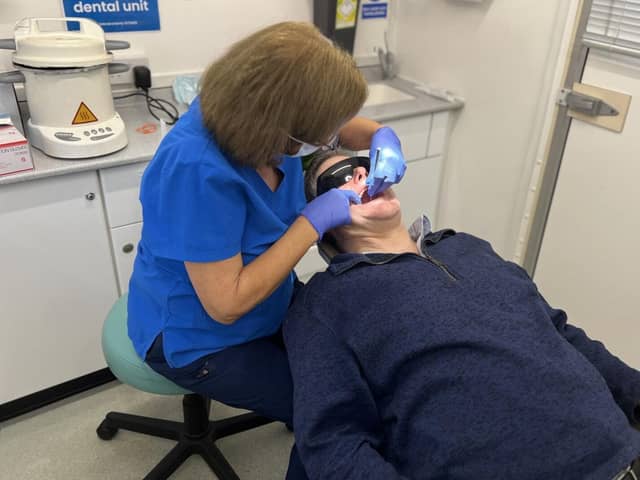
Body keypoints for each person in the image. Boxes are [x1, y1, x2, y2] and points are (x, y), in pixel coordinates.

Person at [126, 22, 407, 479]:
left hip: (268, 299)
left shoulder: (262, 124)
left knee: (354, 368)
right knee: (333, 411)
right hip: (197, 334)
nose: (331, 140)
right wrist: (313, 219)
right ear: (276, 124)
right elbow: (226, 305)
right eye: (321, 135)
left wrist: (382, 136)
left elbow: (341, 126)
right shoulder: (196, 169)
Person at [283, 150, 640, 480]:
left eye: (366, 163)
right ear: (322, 220)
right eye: (342, 177)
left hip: (620, 454)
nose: (362, 172)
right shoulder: (325, 304)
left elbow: (560, 332)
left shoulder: (465, 246)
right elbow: (334, 444)